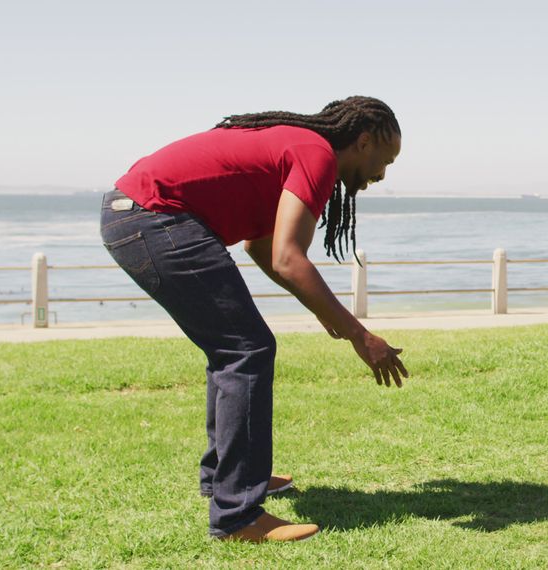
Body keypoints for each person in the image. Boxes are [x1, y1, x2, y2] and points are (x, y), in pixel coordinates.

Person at [99, 96, 409, 541]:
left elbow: (261, 248)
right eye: (385, 160)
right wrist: (361, 335)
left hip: (137, 214)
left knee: (234, 348)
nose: (382, 175)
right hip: (154, 216)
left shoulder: (295, 147)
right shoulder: (316, 153)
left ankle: (227, 480)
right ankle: (237, 516)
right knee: (246, 349)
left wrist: (327, 314)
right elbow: (287, 257)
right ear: (363, 142)